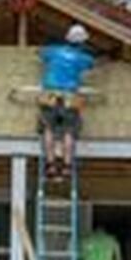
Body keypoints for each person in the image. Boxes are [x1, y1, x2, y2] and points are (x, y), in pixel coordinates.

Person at [38, 24, 95, 178]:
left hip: (50, 95)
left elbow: (40, 53)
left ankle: (50, 165)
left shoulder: (53, 51)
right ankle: (67, 165)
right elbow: (92, 64)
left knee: (48, 129)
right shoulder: (83, 57)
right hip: (70, 96)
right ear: (82, 42)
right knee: (69, 131)